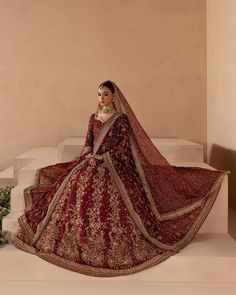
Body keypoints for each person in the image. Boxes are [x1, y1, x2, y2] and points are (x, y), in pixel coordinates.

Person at [13, 80, 228, 277]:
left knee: (106, 188)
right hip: (91, 162)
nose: (101, 98)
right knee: (76, 178)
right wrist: (88, 154)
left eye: (105, 94)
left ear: (114, 96)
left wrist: (102, 158)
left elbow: (123, 147)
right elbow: (88, 140)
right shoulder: (93, 117)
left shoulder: (121, 119)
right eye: (99, 94)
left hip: (112, 166)